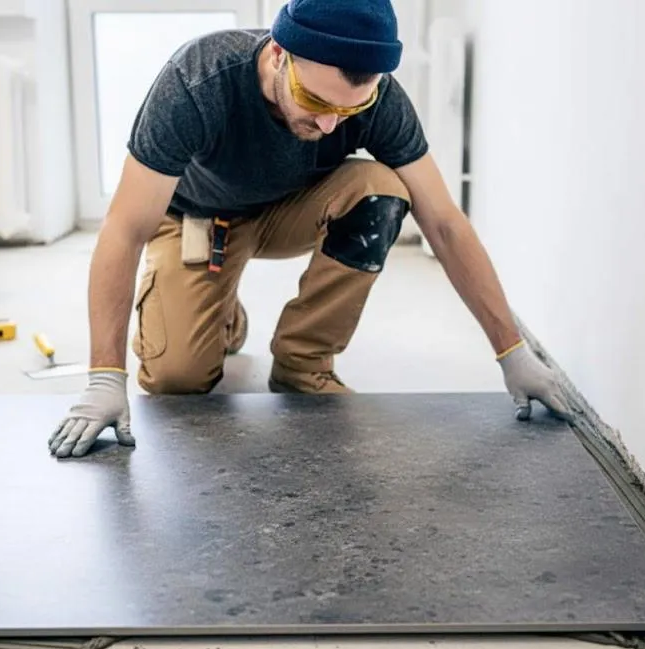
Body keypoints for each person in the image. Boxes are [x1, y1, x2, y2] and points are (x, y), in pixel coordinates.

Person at [47, 0, 572, 458]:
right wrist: (104, 378)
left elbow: (444, 221)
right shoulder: (197, 80)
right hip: (198, 219)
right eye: (317, 103)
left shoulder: (377, 98)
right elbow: (123, 230)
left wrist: (512, 351)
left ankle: (303, 363)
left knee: (384, 189)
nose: (329, 125)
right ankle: (219, 309)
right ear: (279, 55)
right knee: (178, 381)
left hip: (292, 210)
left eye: (349, 110)